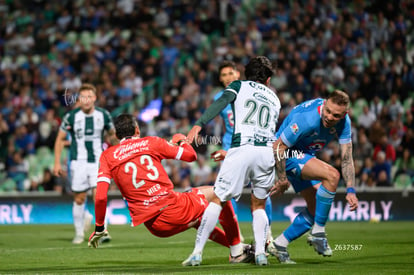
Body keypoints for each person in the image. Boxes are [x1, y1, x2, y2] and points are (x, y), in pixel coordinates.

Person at [88, 114, 253, 264]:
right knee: (221, 194)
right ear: (137, 129)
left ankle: (238, 247)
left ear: (116, 136)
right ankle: (237, 251)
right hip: (174, 208)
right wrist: (181, 139)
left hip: (155, 226)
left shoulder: (107, 156)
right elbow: (191, 156)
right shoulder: (151, 142)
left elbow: (101, 197)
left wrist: (100, 228)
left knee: (199, 218)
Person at [183, 56, 281, 266]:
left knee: (218, 199)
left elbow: (220, 102)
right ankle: (261, 253)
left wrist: (198, 125)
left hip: (240, 148)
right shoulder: (275, 99)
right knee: (259, 205)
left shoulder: (239, 87)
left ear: (243, 74)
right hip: (265, 153)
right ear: (269, 79)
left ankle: (197, 253)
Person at [271, 90, 359, 264]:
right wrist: (282, 179)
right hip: (285, 153)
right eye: (327, 111)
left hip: (303, 155)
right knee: (332, 176)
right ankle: (318, 233)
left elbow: (347, 158)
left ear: (344, 114)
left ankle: (279, 244)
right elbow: (278, 147)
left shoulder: (344, 123)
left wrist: (350, 189)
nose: (329, 117)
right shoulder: (307, 119)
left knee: (316, 207)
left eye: (336, 115)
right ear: (324, 103)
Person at [213, 60, 274, 244]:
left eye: (230, 73)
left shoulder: (254, 92)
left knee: (261, 190)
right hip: (230, 147)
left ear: (238, 74)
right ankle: (236, 234)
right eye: (223, 75)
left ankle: (266, 234)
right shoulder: (219, 97)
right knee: (227, 192)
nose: (227, 78)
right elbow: (222, 125)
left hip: (252, 145)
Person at [53, 83, 115, 244]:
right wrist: (57, 163)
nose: (86, 100)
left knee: (98, 196)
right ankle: (79, 233)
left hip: (97, 162)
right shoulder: (71, 117)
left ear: (94, 98)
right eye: (83, 97)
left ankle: (103, 231)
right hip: (78, 162)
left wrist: (121, 148)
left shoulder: (104, 115)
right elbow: (59, 139)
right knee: (79, 198)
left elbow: (112, 136)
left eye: (89, 97)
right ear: (79, 99)